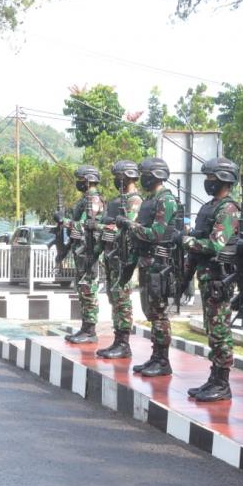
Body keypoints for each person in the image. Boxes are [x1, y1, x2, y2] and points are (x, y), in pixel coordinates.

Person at [183, 157, 240, 401]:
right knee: (212, 330)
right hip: (207, 277)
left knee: (220, 332)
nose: (208, 182)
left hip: (220, 279)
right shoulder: (209, 207)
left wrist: (188, 241)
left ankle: (222, 382)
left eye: (212, 178)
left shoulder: (227, 208)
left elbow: (216, 244)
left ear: (224, 180)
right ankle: (214, 378)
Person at [117, 158, 181, 376]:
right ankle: (155, 356)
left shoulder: (166, 200)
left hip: (159, 265)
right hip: (146, 262)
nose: (142, 177)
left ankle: (163, 361)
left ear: (155, 175)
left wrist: (130, 225)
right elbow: (142, 237)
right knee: (152, 312)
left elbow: (156, 233)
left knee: (159, 313)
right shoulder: (150, 201)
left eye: (145, 174)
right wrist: (130, 263)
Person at [95, 160, 143, 359]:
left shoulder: (135, 201)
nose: (117, 181)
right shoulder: (116, 201)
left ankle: (123, 343)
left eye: (120, 177)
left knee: (122, 299)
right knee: (114, 298)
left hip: (124, 256)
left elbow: (126, 226)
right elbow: (106, 223)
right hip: (111, 255)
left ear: (129, 177)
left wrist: (103, 227)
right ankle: (118, 339)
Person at [54, 165, 104, 344]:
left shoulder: (93, 200)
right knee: (82, 289)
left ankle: (90, 330)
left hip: (88, 251)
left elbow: (84, 226)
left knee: (87, 288)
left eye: (81, 179)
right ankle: (85, 327)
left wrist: (64, 220)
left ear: (88, 180)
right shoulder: (85, 199)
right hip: (80, 250)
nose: (78, 183)